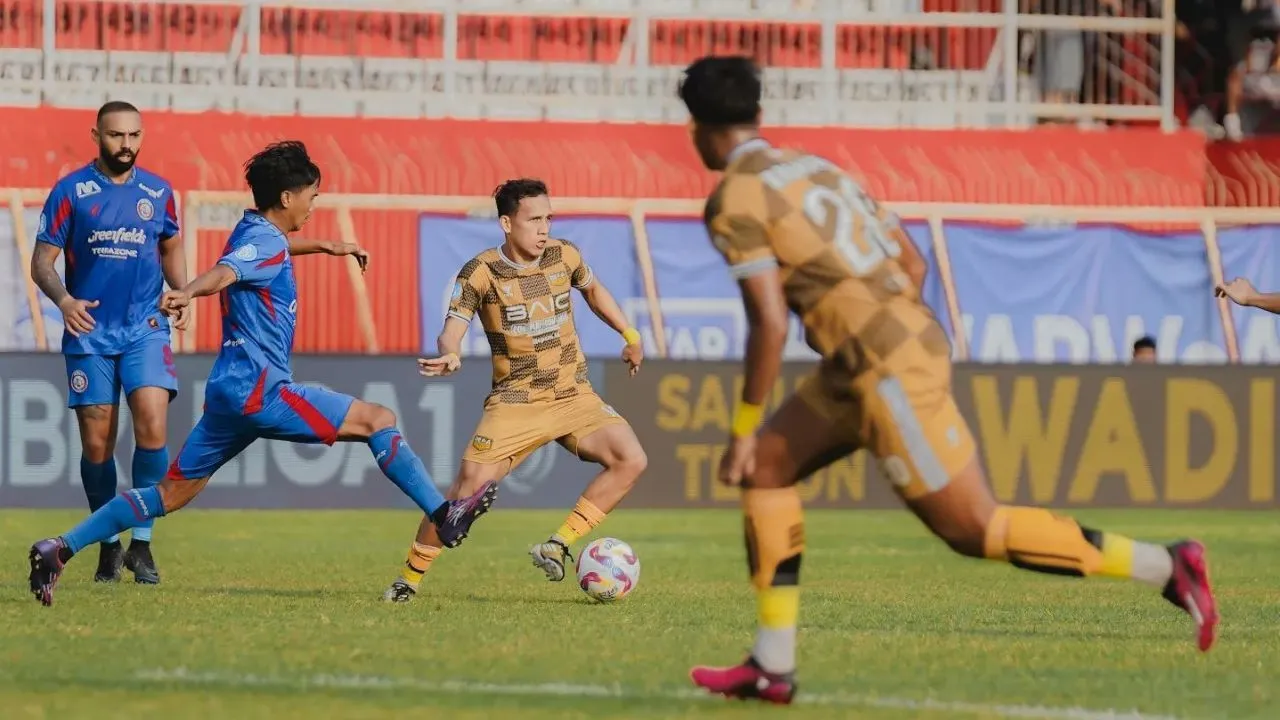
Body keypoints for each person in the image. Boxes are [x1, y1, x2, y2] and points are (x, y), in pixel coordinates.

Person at [676, 56, 1219, 705]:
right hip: (869, 357)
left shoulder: (732, 198)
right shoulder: (819, 169)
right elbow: (911, 258)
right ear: (760, 115)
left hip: (881, 364)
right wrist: (885, 327)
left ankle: (1168, 566)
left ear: (698, 129)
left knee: (974, 529)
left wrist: (743, 425)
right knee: (769, 469)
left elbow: (767, 322)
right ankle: (772, 664)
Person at [27, 141, 497, 607]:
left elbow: (265, 251)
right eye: (312, 196)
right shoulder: (262, 244)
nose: (315, 206)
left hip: (228, 391)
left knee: (167, 494)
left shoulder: (253, 228)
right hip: (261, 391)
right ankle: (444, 514)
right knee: (378, 419)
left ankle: (59, 548)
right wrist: (188, 291)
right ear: (288, 198)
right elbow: (227, 272)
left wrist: (327, 246)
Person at [382, 178, 647, 603]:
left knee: (630, 458)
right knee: (464, 491)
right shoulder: (481, 272)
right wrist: (450, 353)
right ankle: (408, 579)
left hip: (573, 395)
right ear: (507, 223)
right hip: (517, 401)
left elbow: (594, 290)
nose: (544, 229)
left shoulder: (564, 255)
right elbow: (452, 328)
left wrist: (629, 333)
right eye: (533, 220)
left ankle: (557, 544)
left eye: (548, 218)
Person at [30, 100, 187, 585]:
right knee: (97, 446)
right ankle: (107, 545)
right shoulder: (70, 191)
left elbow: (170, 244)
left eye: (135, 136)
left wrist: (179, 291)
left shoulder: (158, 192)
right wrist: (64, 301)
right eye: (117, 136)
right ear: (96, 134)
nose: (127, 145)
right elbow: (41, 263)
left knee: (153, 427)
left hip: (145, 328)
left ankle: (141, 544)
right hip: (90, 335)